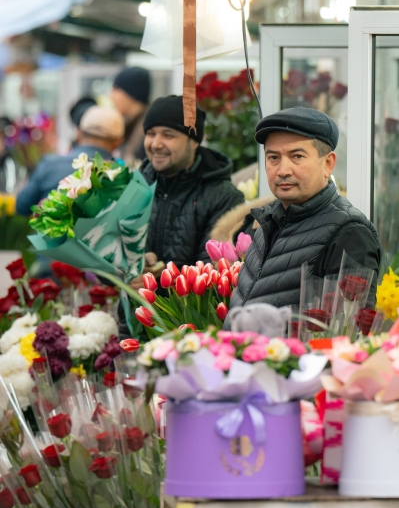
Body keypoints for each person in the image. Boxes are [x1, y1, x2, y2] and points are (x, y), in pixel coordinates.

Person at [229, 106, 381, 314]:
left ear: (328, 164)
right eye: (273, 158)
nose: (283, 170)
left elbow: (347, 329)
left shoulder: (349, 231)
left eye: (297, 156)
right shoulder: (268, 220)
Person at [119, 95, 244, 338]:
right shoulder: (134, 187)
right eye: (151, 133)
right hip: (132, 330)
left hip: (190, 334)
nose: (155, 143)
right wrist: (123, 269)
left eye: (168, 135)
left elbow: (219, 274)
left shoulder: (224, 197)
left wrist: (162, 273)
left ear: (194, 141)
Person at [16, 106, 124, 215]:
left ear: (79, 133)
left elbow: (22, 206)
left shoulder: (49, 164)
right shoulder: (122, 177)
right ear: (118, 141)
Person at [110, 66, 151, 167]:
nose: (111, 95)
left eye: (116, 89)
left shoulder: (148, 129)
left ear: (131, 93)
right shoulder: (132, 124)